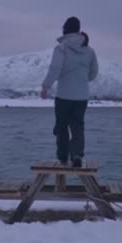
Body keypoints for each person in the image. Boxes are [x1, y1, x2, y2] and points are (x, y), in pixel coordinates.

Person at [40, 16, 98, 167]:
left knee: (62, 125)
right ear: (78, 30)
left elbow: (55, 69)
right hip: (82, 97)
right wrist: (82, 80)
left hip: (64, 96)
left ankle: (63, 157)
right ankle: (77, 155)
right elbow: (93, 73)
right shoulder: (90, 51)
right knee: (78, 126)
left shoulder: (61, 48)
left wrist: (46, 86)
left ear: (65, 30)